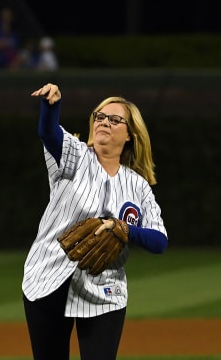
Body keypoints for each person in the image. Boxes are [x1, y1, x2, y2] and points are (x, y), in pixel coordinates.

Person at [22, 83, 168, 360]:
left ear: (129, 134)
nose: (104, 122)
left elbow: (159, 241)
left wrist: (125, 229)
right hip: (48, 278)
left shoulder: (138, 186)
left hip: (105, 290)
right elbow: (47, 132)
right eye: (99, 116)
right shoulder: (75, 157)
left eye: (115, 119)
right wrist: (51, 107)